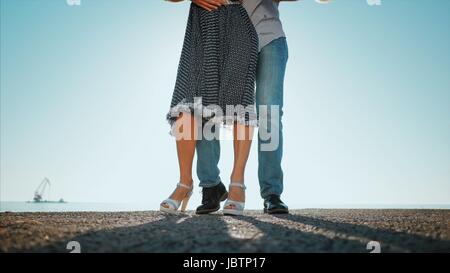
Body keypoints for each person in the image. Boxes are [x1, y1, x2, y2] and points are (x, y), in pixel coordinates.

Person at [160, 0, 259, 216]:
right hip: (201, 30)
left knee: (239, 105)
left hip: (237, 27)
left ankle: (237, 184)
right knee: (185, 107)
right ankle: (184, 183)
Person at [195, 0, 292, 215]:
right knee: (209, 108)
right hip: (223, 36)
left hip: (270, 37)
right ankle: (210, 186)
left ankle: (272, 193)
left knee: (270, 113)